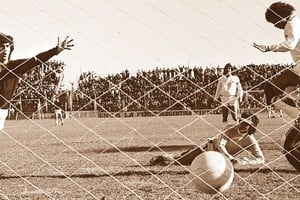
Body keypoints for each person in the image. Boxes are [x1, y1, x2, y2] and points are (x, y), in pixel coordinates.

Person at [0, 33, 74, 130]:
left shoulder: (15, 67)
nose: (5, 49)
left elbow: (36, 60)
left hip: (2, 111)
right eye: (2, 46)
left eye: (7, 46)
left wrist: (55, 50)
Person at [149, 112, 265, 166]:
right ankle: (162, 157)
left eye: (246, 124)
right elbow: (220, 145)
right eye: (241, 121)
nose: (242, 125)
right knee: (179, 161)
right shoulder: (230, 128)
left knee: (187, 164)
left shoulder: (250, 140)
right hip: (206, 150)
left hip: (218, 160)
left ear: (251, 126)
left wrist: (245, 162)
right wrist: (230, 158)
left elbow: (261, 159)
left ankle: (167, 159)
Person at [253, 1, 300, 123]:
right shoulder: (296, 21)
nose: (275, 26)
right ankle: (296, 112)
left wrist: (269, 48)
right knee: (288, 91)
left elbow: (290, 45)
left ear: (280, 16)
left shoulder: (291, 24)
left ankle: (296, 115)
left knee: (271, 88)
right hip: (298, 66)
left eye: (274, 22)